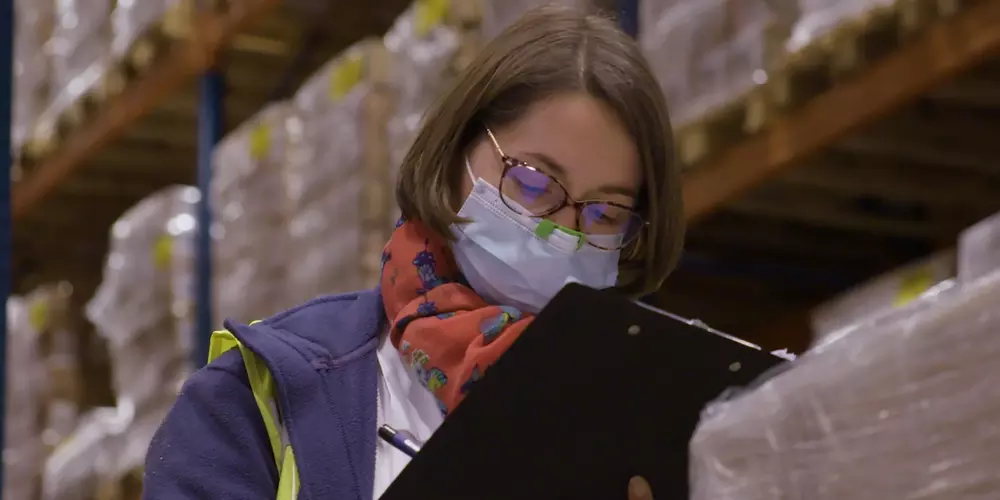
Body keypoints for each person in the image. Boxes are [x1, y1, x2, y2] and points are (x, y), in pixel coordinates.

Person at [143, 5, 684, 500]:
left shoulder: (655, 411)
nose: (564, 234)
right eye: (535, 183)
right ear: (455, 158)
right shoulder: (251, 403)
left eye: (605, 215)